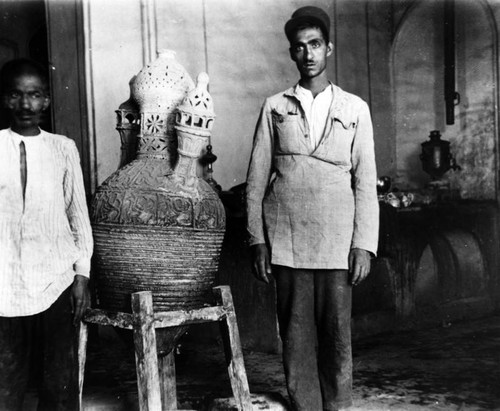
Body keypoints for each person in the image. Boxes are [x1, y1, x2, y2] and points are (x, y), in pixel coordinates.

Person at [246, 6, 379, 411]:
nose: (308, 54)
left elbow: (365, 183)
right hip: (287, 240)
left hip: (338, 241)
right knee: (296, 333)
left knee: (337, 335)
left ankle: (337, 406)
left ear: (329, 49)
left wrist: (364, 245)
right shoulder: (275, 106)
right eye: (300, 47)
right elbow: (255, 180)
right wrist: (257, 241)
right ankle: (305, 405)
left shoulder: (355, 108)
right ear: (291, 53)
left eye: (315, 45)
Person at [0, 58, 93, 410]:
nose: (25, 104)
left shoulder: (63, 148)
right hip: (5, 285)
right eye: (15, 95)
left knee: (58, 384)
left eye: (34, 95)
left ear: (46, 101)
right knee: (6, 384)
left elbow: (78, 216)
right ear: (5, 99)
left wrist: (81, 277)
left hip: (55, 282)